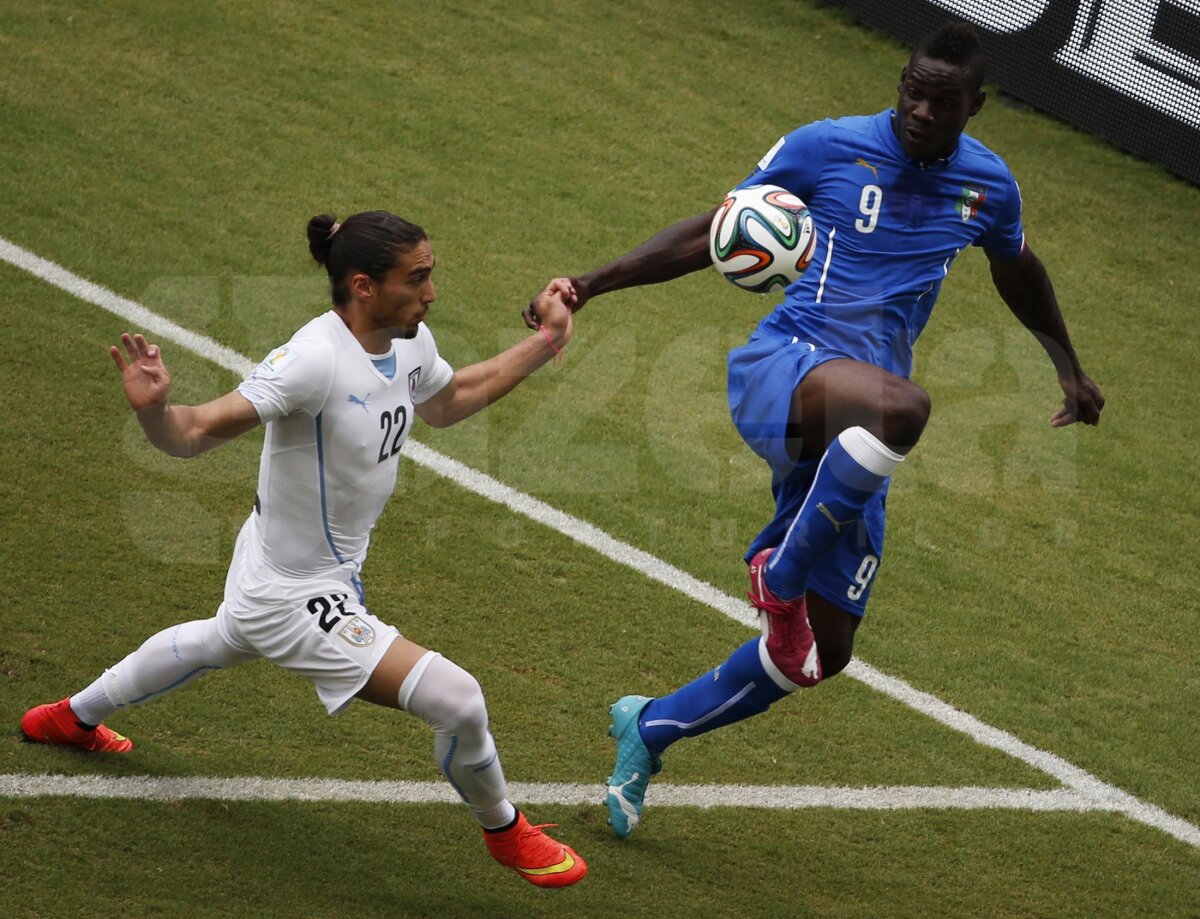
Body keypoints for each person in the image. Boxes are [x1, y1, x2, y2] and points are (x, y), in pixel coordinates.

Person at [529, 22, 1105, 838]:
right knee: (907, 407)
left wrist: (1067, 365)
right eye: (912, 88)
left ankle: (651, 727)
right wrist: (588, 285)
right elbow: (714, 228)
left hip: (856, 437)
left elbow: (1019, 269)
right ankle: (781, 573)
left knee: (822, 653)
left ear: (975, 106)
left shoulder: (989, 187)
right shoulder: (827, 146)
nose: (919, 109)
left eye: (941, 101)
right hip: (787, 367)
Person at [21, 210, 587, 887]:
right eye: (419, 278)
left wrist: (547, 341)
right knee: (459, 699)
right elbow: (197, 430)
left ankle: (71, 718)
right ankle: (505, 827)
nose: (432, 292)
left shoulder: (409, 339)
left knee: (219, 638)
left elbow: (450, 397)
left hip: (283, 561)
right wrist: (155, 411)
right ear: (363, 286)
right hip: (292, 590)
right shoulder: (314, 360)